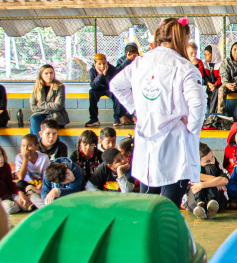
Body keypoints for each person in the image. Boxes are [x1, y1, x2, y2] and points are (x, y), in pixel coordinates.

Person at [109, 17, 206, 207]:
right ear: (180, 40)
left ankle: (147, 237)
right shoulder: (185, 67)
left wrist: (136, 108)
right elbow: (197, 104)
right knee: (169, 207)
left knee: (148, 204)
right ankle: (167, 237)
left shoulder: (140, 63)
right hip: (175, 143)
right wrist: (192, 127)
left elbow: (116, 85)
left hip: (147, 139)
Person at [186, 143, 229, 220]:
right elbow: (193, 177)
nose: (212, 161)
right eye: (207, 161)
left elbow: (225, 180)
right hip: (194, 203)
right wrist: (216, 181)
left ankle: (211, 203)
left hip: (218, 201)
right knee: (196, 179)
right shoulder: (190, 167)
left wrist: (202, 185)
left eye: (212, 157)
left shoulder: (216, 163)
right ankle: (200, 204)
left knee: (210, 168)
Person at [86, 54, 128, 127]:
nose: (102, 66)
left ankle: (116, 118)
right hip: (98, 88)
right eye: (99, 64)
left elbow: (113, 85)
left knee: (116, 93)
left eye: (104, 63)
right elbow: (93, 86)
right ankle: (94, 119)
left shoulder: (112, 69)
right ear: (95, 64)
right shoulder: (92, 70)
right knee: (92, 92)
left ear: (106, 62)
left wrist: (106, 74)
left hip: (109, 89)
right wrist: (100, 75)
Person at [29, 64, 69, 136]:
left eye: (51, 73)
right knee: (34, 118)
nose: (49, 75)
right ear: (41, 75)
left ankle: (41, 143)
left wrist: (41, 104)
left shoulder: (60, 87)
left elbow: (58, 106)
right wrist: (51, 107)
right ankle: (39, 144)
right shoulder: (36, 87)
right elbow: (33, 107)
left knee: (47, 122)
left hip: (56, 116)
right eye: (46, 73)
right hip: (40, 114)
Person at [14, 134, 48, 209]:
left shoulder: (44, 157)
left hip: (40, 185)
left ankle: (34, 204)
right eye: (23, 146)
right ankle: (33, 201)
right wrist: (25, 159)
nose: (26, 149)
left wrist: (42, 184)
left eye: (29, 146)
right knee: (20, 184)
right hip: (26, 186)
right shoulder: (19, 157)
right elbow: (20, 177)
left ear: (36, 146)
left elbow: (47, 176)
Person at [202, 44, 223, 115]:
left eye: (207, 54)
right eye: (204, 54)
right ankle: (203, 112)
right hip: (209, 85)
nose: (205, 56)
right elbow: (205, 76)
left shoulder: (221, 64)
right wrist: (209, 83)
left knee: (216, 91)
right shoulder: (205, 64)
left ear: (213, 54)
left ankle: (211, 113)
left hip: (217, 85)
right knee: (203, 90)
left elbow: (221, 77)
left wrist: (215, 84)